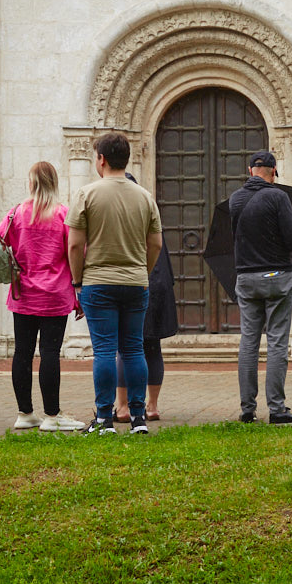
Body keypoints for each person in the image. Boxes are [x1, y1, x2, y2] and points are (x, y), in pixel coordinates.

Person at [67, 133, 163, 435]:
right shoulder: (144, 196)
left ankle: (105, 418)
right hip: (135, 282)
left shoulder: (87, 194)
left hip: (98, 282)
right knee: (134, 349)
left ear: (101, 160)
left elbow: (74, 244)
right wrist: (141, 273)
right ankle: (138, 418)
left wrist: (78, 281)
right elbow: (156, 244)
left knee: (105, 350)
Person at [0, 162, 85, 432]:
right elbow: (78, 251)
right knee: (50, 353)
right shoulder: (63, 214)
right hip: (55, 295)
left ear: (31, 183)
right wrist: (79, 293)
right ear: (54, 183)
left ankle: (25, 413)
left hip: (24, 293)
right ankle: (52, 416)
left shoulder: (17, 213)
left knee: (22, 352)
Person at [230, 150, 292, 424]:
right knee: (277, 341)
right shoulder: (278, 196)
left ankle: (247, 409)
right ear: (273, 171)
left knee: (248, 341)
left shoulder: (235, 199)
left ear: (250, 171)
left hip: (246, 277)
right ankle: (277, 408)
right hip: (277, 276)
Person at [113, 173, 178, 423]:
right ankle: (151, 406)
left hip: (132, 283)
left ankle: (122, 407)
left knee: (125, 347)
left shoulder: (117, 216)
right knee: (152, 346)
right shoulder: (148, 208)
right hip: (157, 282)